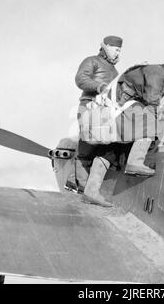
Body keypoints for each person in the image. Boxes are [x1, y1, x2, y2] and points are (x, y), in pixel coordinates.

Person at [67, 35, 123, 207]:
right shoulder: (92, 61)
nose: (118, 52)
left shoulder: (114, 71)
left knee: (106, 144)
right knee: (89, 143)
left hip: (107, 110)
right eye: (116, 48)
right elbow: (80, 79)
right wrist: (99, 87)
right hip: (90, 106)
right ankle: (78, 182)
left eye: (120, 50)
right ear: (106, 46)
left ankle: (87, 188)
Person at [116, 64, 164, 177]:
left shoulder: (158, 73)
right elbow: (152, 102)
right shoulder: (158, 75)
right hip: (124, 99)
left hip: (126, 99)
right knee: (151, 124)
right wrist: (159, 131)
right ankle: (134, 162)